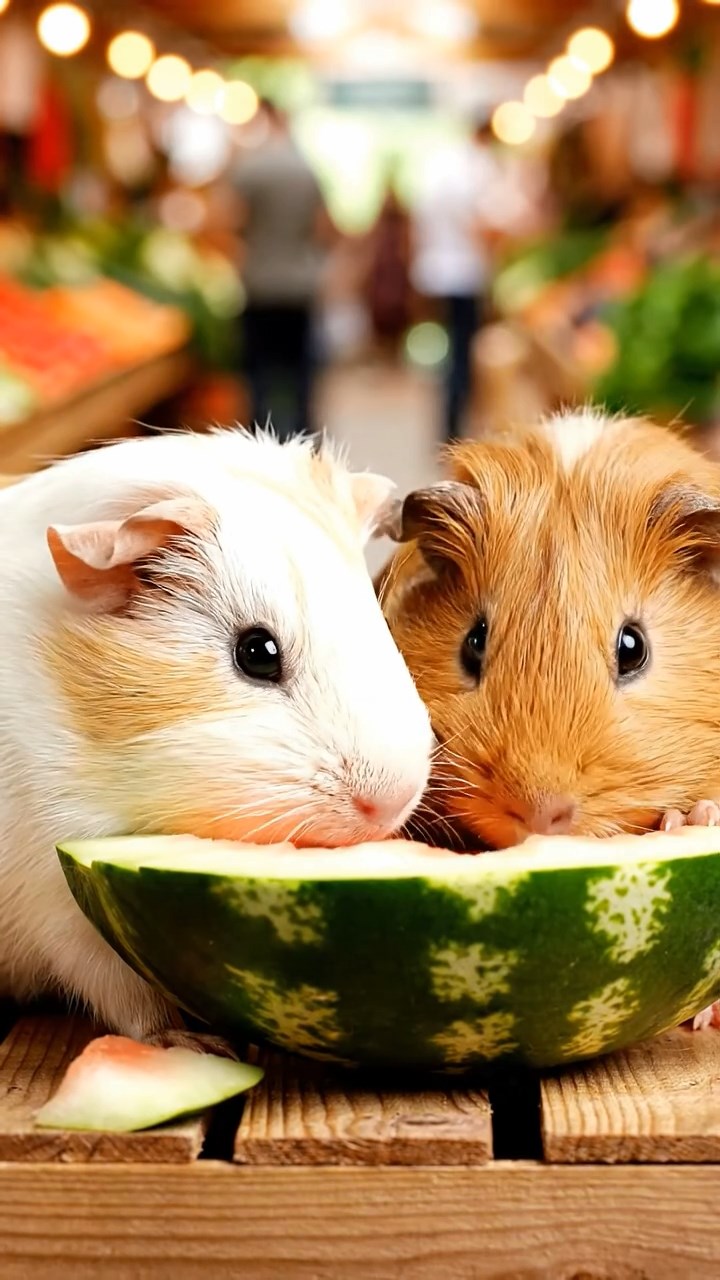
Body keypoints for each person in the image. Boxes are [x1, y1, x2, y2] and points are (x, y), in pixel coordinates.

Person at [411, 120, 525, 442]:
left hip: (436, 271)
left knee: (449, 351)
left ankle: (448, 423)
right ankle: (457, 423)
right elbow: (484, 225)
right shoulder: (478, 169)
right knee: (463, 353)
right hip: (466, 272)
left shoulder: (441, 165)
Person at [232, 99, 330, 441]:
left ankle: (261, 443)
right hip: (300, 285)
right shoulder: (306, 170)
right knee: (301, 375)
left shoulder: (249, 168)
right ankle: (304, 445)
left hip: (259, 284)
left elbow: (224, 221)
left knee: (260, 376)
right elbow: (324, 228)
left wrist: (244, 253)